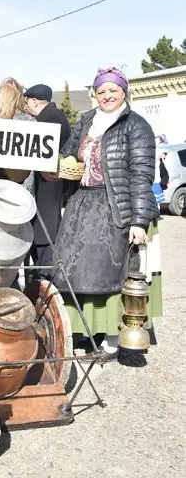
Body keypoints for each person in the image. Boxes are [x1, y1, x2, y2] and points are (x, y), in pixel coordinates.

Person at [52, 67, 162, 360]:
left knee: (113, 271)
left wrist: (138, 221)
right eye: (101, 91)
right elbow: (69, 150)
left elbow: (141, 174)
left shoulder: (136, 126)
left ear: (124, 91)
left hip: (116, 206)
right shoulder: (87, 120)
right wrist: (63, 161)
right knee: (73, 269)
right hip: (82, 202)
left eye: (113, 90)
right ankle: (86, 332)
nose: (107, 96)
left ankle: (114, 337)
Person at [24, 84, 72, 277]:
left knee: (45, 255)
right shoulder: (53, 116)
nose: (25, 104)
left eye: (26, 100)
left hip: (47, 194)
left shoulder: (50, 119)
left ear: (34, 101)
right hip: (47, 194)